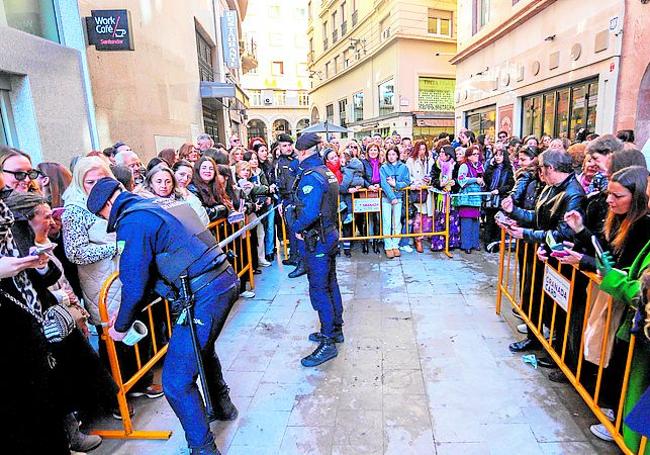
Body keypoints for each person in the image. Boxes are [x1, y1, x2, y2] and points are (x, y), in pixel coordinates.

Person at [87, 177, 239, 455]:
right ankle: (222, 405)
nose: (103, 218)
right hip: (221, 279)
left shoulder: (131, 221)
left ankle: (203, 449)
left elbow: (133, 285)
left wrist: (120, 327)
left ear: (108, 204)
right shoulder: (155, 205)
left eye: (101, 214)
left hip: (203, 291)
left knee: (175, 380)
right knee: (199, 350)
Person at [289, 133, 343, 367]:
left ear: (301, 152)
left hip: (317, 239)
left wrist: (295, 226)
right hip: (329, 235)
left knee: (319, 290)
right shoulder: (326, 171)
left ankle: (329, 341)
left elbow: (309, 213)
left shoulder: (311, 176)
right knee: (331, 284)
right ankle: (335, 329)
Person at [143, 163, 209, 225]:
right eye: (159, 182)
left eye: (168, 182)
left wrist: (188, 197)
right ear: (151, 183)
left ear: (173, 184)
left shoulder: (182, 197)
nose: (164, 185)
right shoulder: (145, 201)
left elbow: (203, 221)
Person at [380, 146, 411, 259]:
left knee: (396, 222)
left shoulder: (404, 167)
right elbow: (383, 183)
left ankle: (395, 245)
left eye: (393, 154)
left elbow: (407, 181)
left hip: (399, 197)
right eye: (389, 154)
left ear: (397, 155)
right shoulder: (383, 168)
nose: (391, 157)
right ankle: (388, 246)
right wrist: (392, 196)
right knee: (387, 222)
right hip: (387, 198)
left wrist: (396, 184)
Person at [430, 144, 460, 251]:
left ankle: (452, 243)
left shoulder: (456, 166)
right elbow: (433, 179)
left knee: (452, 219)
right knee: (440, 219)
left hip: (452, 198)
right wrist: (440, 183)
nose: (441, 154)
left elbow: (460, 179)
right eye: (440, 152)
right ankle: (438, 243)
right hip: (440, 198)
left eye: (443, 152)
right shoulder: (436, 165)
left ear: (449, 154)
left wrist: (454, 182)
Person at [483, 148, 515, 249]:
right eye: (496, 155)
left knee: (498, 222)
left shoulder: (508, 169)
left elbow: (510, 184)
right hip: (490, 198)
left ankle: (496, 244)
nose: (497, 157)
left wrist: (499, 190)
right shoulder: (492, 167)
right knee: (489, 221)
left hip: (501, 198)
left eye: (500, 155)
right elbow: (486, 179)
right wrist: (491, 166)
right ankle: (487, 243)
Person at [406, 140, 434, 253]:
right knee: (418, 217)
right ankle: (418, 240)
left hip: (428, 191)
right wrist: (415, 182)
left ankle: (424, 236)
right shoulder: (410, 161)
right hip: (417, 191)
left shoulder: (430, 160)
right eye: (420, 149)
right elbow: (408, 176)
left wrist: (430, 179)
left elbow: (434, 174)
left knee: (427, 216)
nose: (422, 152)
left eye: (424, 149)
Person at [457, 145, 485, 254]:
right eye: (474, 154)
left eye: (478, 154)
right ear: (468, 156)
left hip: (477, 198)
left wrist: (482, 182)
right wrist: (475, 180)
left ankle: (475, 243)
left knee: (475, 221)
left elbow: (482, 180)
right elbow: (461, 180)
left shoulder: (480, 167)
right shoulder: (464, 166)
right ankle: (466, 245)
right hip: (467, 198)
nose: (476, 156)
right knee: (466, 222)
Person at [188, 157, 229, 222]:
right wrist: (223, 209)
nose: (208, 171)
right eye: (204, 168)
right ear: (198, 170)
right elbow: (204, 213)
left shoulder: (216, 186)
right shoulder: (192, 189)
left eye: (211, 169)